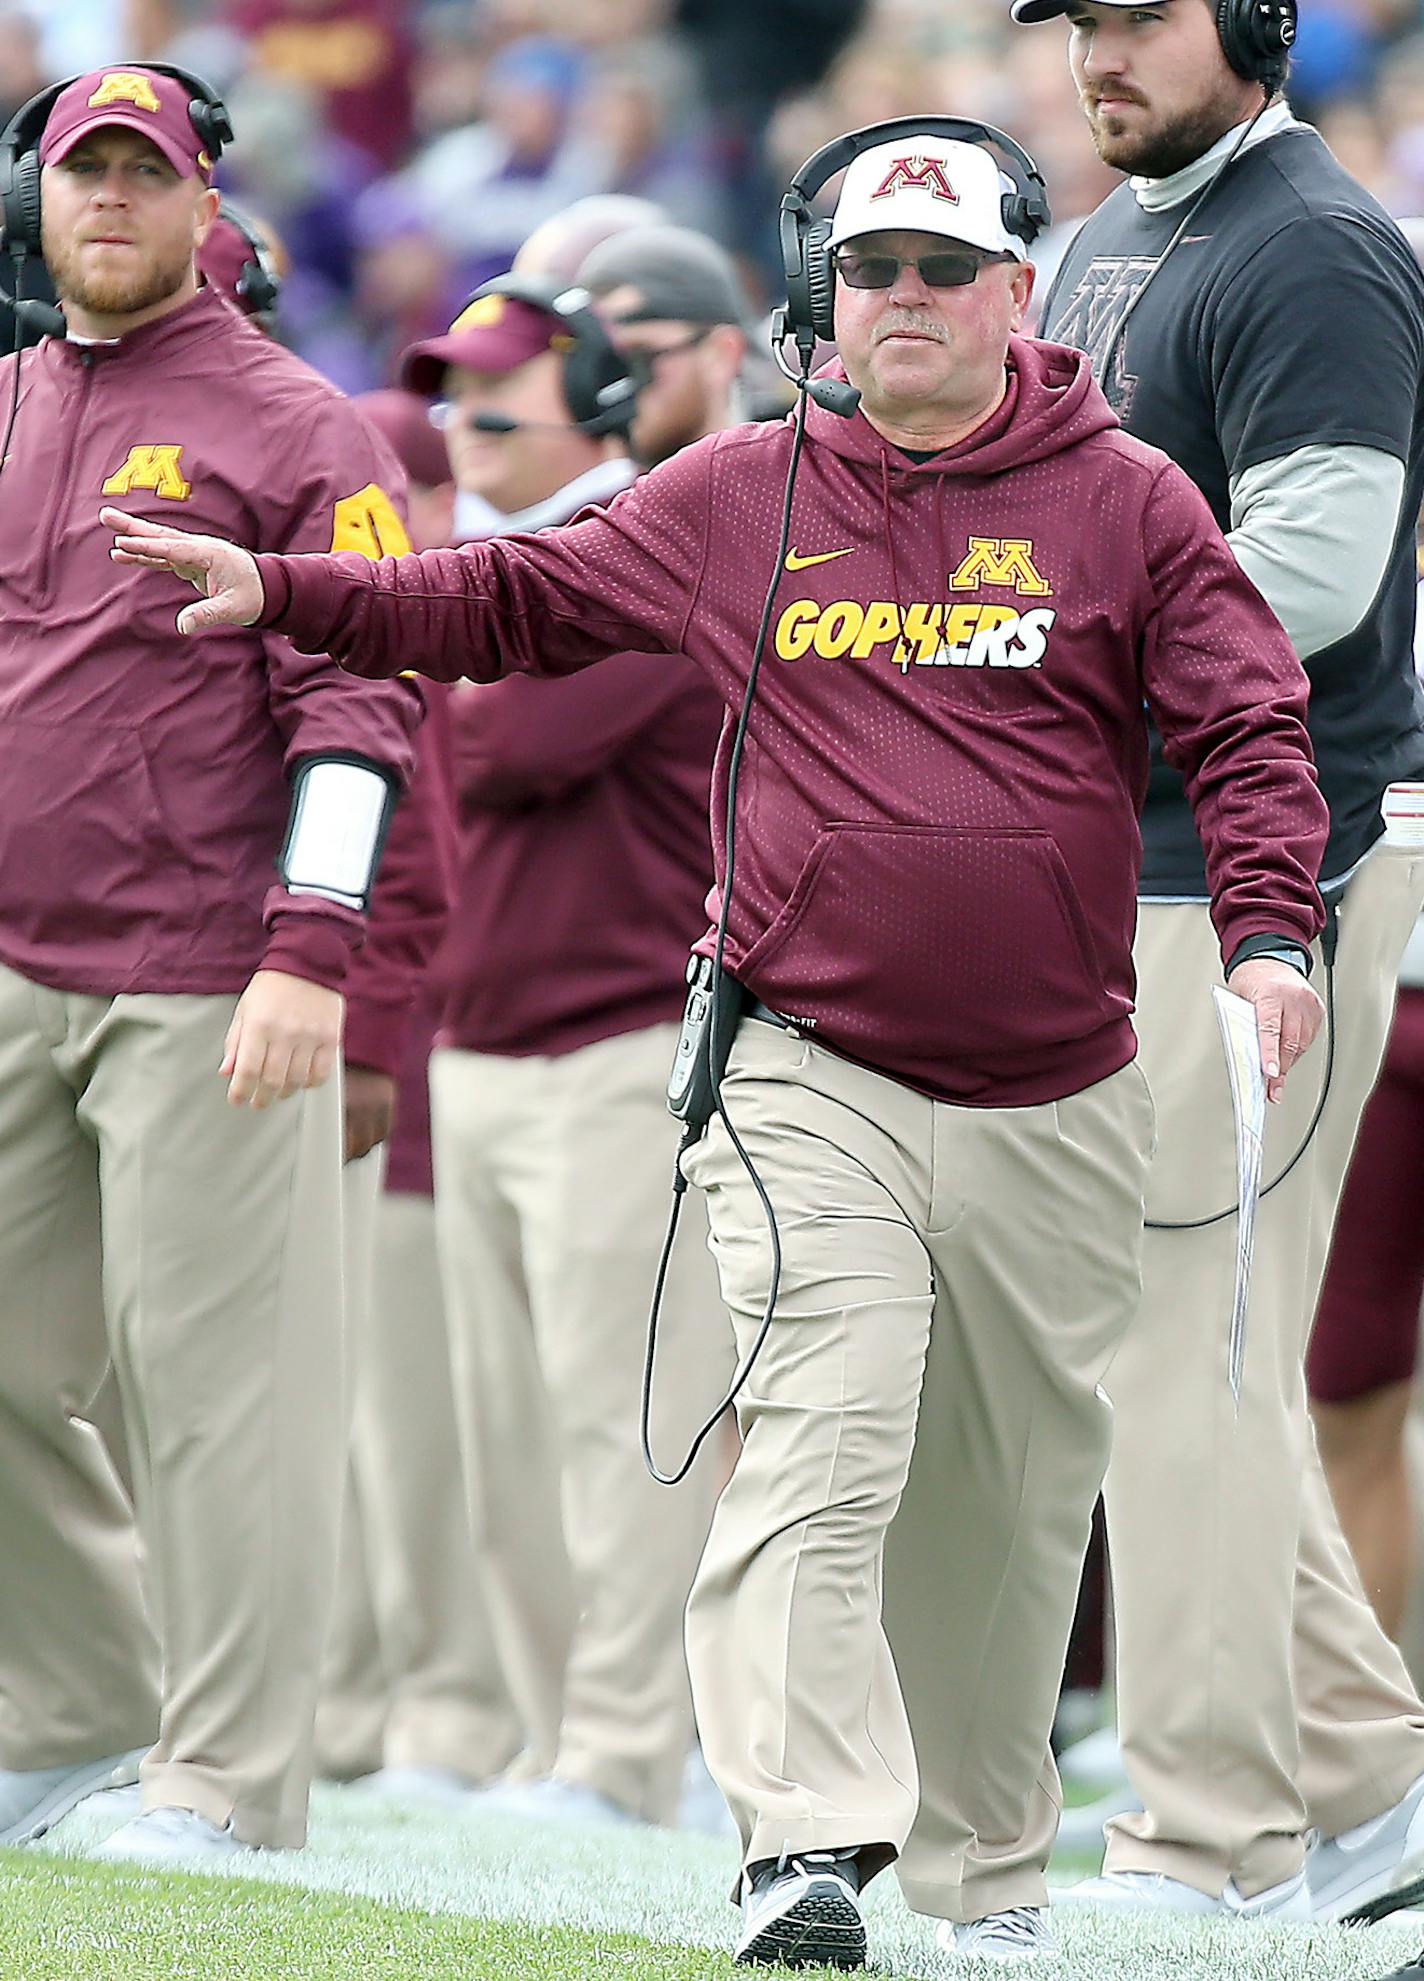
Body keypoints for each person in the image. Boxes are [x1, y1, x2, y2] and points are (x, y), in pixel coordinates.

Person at [104, 121, 1328, 1966]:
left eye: (937, 270)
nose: (899, 299)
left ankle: (986, 1879)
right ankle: (801, 1843)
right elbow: (504, 597)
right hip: (801, 1058)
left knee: (1000, 1515)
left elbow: (1244, 727)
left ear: (1015, 289)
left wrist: (1262, 939)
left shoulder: (1127, 500)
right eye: (867, 270)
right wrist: (289, 589)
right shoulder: (738, 489)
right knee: (817, 1435)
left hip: (1054, 1081)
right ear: (816, 299)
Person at [1020, 0, 1424, 1921]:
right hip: (1125, 856)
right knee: (1162, 1357)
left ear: (1253, 24)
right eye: (1077, 24)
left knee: (1189, 1356)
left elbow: (1320, 573)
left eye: (1137, 16)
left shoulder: (1312, 245)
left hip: (1265, 869)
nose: (1099, 56)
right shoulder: (1105, 238)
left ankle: (1205, 1838)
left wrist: (1015, 648)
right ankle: (1356, 1779)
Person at [0, 63, 422, 1864]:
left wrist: (313, 947)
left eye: (138, 175)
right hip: (17, 964)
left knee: (220, 1398)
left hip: (207, 977)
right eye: (78, 172)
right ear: (36, 201)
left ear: (198, 210)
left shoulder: (305, 426)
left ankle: (233, 1785)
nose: (105, 201)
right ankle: (80, 1711)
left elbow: (367, 700)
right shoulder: (8, 397)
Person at [362, 277, 730, 1828]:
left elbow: (503, 742)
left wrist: (421, 663)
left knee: (621, 1422)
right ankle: (541, 1735)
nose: (463, 427)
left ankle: (631, 1750)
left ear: (587, 405)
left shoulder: (638, 543)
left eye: (496, 398)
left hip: (617, 1039)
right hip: (484, 1039)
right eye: (453, 399)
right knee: (507, 1428)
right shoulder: (491, 568)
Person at [576, 222, 751, 469]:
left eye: (637, 359)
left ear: (721, 355)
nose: (617, 387)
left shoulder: (788, 493)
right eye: (603, 365)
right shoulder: (588, 502)